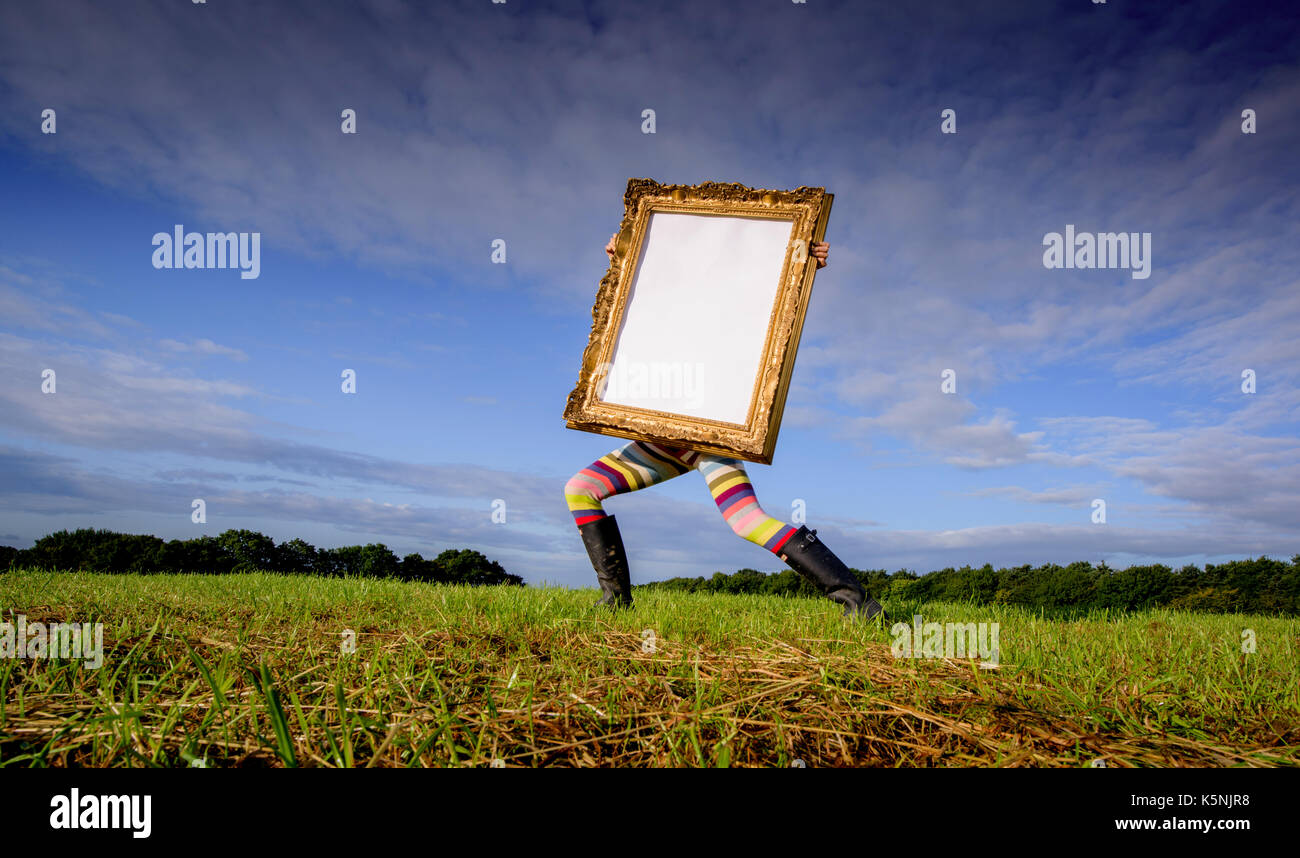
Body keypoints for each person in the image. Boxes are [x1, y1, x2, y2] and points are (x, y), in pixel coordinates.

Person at [562, 234, 886, 620]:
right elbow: (630, 308)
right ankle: (616, 600)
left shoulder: (725, 320)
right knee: (581, 489)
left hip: (711, 435)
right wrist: (623, 257)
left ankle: (858, 603)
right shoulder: (661, 314)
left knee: (747, 521)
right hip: (661, 438)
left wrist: (800, 265)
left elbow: (767, 301)